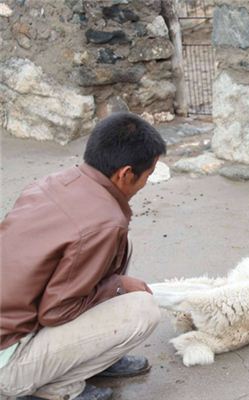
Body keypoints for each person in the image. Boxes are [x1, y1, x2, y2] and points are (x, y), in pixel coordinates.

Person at [0, 112, 167, 400]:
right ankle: (55, 386)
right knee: (143, 310)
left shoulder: (58, 181)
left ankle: (89, 356)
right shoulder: (103, 223)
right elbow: (56, 312)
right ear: (125, 173)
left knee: (116, 256)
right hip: (9, 361)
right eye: (147, 175)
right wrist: (118, 286)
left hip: (11, 325)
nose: (144, 184)